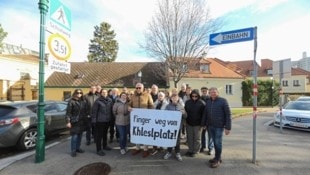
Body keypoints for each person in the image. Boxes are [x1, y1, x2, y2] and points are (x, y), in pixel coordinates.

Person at [202, 87, 232, 168]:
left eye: (214, 92)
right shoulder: (208, 102)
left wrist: (228, 127)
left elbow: (228, 114)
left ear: (217, 93)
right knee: (215, 142)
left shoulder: (223, 101)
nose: (213, 93)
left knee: (218, 143)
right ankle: (217, 157)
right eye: (211, 92)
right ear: (209, 93)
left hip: (219, 126)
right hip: (210, 126)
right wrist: (204, 124)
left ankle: (217, 160)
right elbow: (205, 113)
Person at [128, 83, 154, 158]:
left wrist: (150, 114)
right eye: (137, 88)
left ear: (143, 88)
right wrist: (129, 107)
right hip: (136, 119)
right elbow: (129, 104)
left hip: (145, 118)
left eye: (140, 88)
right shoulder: (133, 96)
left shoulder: (148, 95)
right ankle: (137, 148)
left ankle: (145, 149)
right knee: (137, 133)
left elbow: (151, 105)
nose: (138, 89)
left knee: (144, 133)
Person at [65, 89, 89, 157]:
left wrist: (87, 115)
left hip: (82, 121)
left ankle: (78, 148)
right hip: (74, 121)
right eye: (77, 93)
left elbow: (85, 110)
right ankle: (73, 150)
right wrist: (68, 122)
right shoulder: (71, 101)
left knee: (80, 136)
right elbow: (68, 113)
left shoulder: (83, 101)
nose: (79, 94)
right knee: (74, 136)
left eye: (80, 93)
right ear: (75, 93)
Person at [163, 94, 186, 161]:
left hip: (178, 127)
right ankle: (169, 152)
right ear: (171, 99)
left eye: (176, 98)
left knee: (177, 140)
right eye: (173, 98)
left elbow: (185, 116)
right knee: (170, 139)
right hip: (170, 127)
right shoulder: (168, 106)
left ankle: (177, 153)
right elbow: (164, 116)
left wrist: (183, 113)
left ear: (178, 99)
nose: (175, 99)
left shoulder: (181, 106)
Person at [92, 89, 114, 156]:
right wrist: (94, 121)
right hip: (100, 121)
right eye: (103, 92)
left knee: (105, 134)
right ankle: (98, 149)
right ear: (101, 93)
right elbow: (94, 111)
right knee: (99, 136)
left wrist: (112, 119)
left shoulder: (110, 100)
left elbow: (111, 110)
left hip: (107, 120)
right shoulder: (98, 101)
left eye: (106, 92)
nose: (104, 93)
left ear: (107, 93)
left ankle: (105, 146)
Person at [184, 89, 205, 157]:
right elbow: (185, 112)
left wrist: (203, 124)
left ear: (198, 96)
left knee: (197, 138)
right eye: (193, 96)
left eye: (196, 96)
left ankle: (195, 151)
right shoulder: (187, 102)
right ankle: (190, 150)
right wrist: (185, 121)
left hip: (198, 124)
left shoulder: (202, 103)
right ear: (191, 96)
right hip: (189, 123)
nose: (194, 97)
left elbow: (204, 115)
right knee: (189, 137)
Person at [200, 87, 214, 155]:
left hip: (209, 120)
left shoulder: (211, 99)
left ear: (207, 91)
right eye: (203, 91)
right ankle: (203, 146)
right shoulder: (199, 99)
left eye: (205, 91)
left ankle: (210, 148)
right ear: (201, 92)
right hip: (202, 119)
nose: (204, 92)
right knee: (202, 134)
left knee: (210, 135)